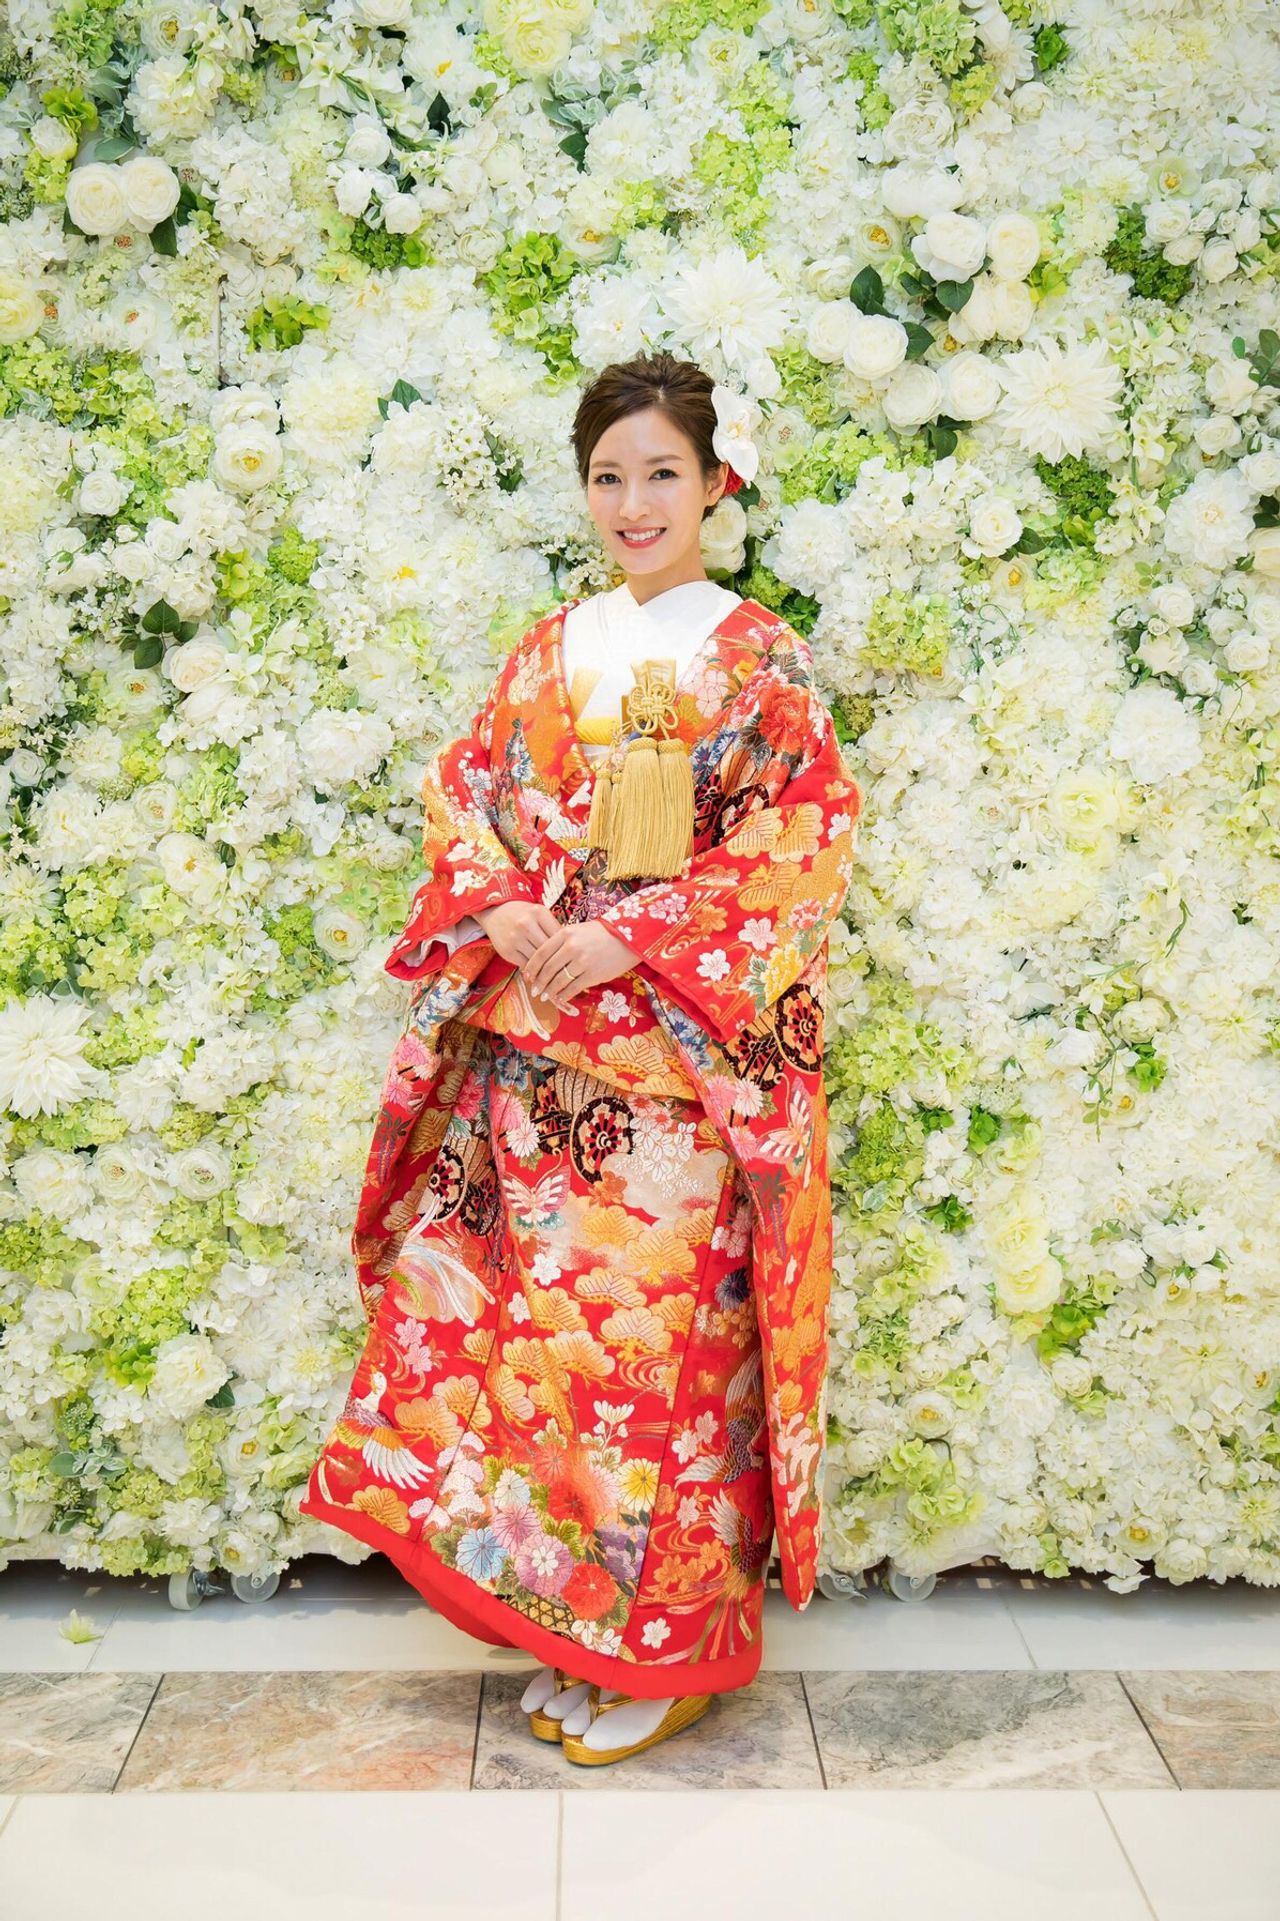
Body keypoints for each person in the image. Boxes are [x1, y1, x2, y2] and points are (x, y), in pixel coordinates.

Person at [299, 351, 863, 1766]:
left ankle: (667, 1653)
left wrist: (634, 935)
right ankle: (575, 1632)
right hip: (535, 1066)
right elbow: (467, 788)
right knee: (544, 1365)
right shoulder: (552, 646)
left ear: (717, 483)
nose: (633, 501)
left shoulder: (763, 657)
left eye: (662, 472)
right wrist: (500, 904)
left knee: (661, 1373)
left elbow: (802, 838)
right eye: (609, 476)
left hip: (674, 1076)